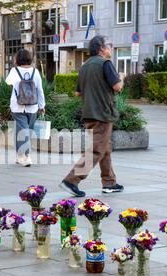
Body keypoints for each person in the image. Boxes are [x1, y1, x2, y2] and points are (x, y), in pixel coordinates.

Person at [59, 35, 124, 197]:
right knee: (96, 150)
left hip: (89, 113)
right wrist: (122, 78)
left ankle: (110, 182)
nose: (111, 47)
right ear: (101, 48)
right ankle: (71, 180)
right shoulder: (105, 63)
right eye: (109, 45)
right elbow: (117, 87)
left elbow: (77, 92)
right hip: (102, 113)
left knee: (105, 148)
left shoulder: (85, 65)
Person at [5, 49, 45, 167]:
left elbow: (7, 82)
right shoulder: (35, 72)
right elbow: (39, 90)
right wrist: (42, 106)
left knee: (22, 131)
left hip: (17, 106)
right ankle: (24, 156)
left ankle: (23, 156)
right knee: (25, 131)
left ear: (18, 59)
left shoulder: (14, 71)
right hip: (32, 107)